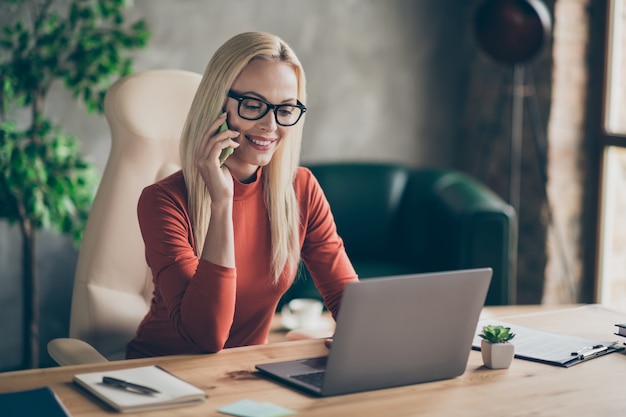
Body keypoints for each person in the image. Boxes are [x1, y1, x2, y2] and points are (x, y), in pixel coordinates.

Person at [126, 32, 358, 359]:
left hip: (241, 378)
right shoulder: (163, 201)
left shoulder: (301, 188)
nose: (270, 124)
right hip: (159, 379)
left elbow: (345, 295)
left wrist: (359, 335)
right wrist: (221, 203)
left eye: (286, 109)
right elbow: (206, 337)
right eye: (252, 105)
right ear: (217, 106)